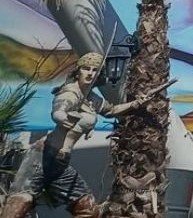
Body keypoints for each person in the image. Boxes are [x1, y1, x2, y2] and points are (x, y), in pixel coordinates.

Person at [1, 52, 155, 218]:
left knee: (87, 209)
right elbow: (59, 110)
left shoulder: (90, 98)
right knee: (18, 206)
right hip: (41, 157)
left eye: (94, 70)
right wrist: (63, 117)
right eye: (86, 69)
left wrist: (137, 103)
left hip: (60, 163)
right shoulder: (70, 92)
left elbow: (111, 111)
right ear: (78, 71)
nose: (90, 73)